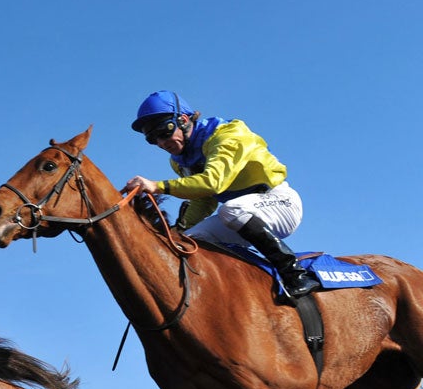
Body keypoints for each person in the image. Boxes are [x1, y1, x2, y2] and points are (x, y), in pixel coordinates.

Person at [124, 91, 320, 298]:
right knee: (189, 241)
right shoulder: (179, 161)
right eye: (152, 139)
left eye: (164, 132)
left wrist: (157, 186)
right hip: (245, 213)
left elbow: (212, 183)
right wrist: (178, 230)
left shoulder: (228, 134)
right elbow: (203, 201)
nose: (162, 143)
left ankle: (295, 274)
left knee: (231, 209)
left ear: (183, 120)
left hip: (280, 203)